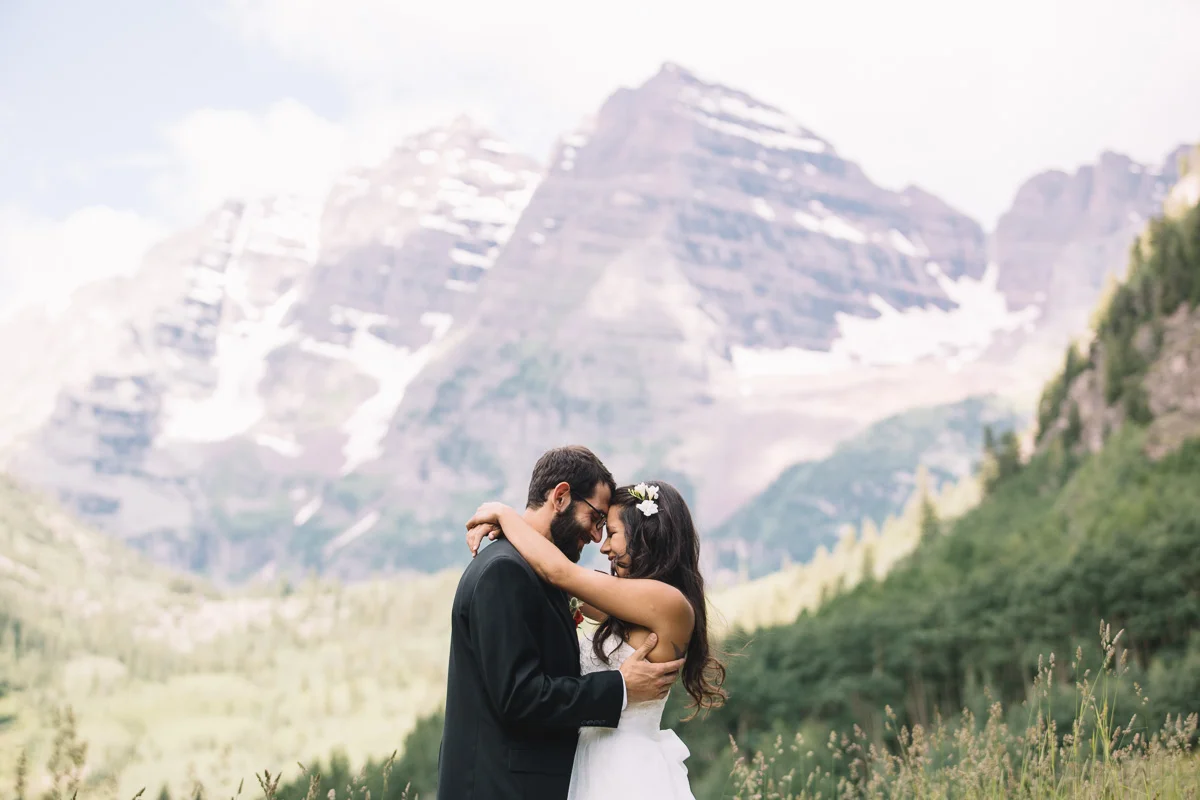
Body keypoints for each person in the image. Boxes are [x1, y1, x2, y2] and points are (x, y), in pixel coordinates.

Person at [437, 446, 685, 800]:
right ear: (561, 497)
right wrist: (620, 686)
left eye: (608, 529)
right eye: (597, 519)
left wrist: (507, 518)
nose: (598, 539)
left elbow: (562, 574)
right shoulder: (505, 571)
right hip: (501, 788)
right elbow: (519, 697)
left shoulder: (543, 576)